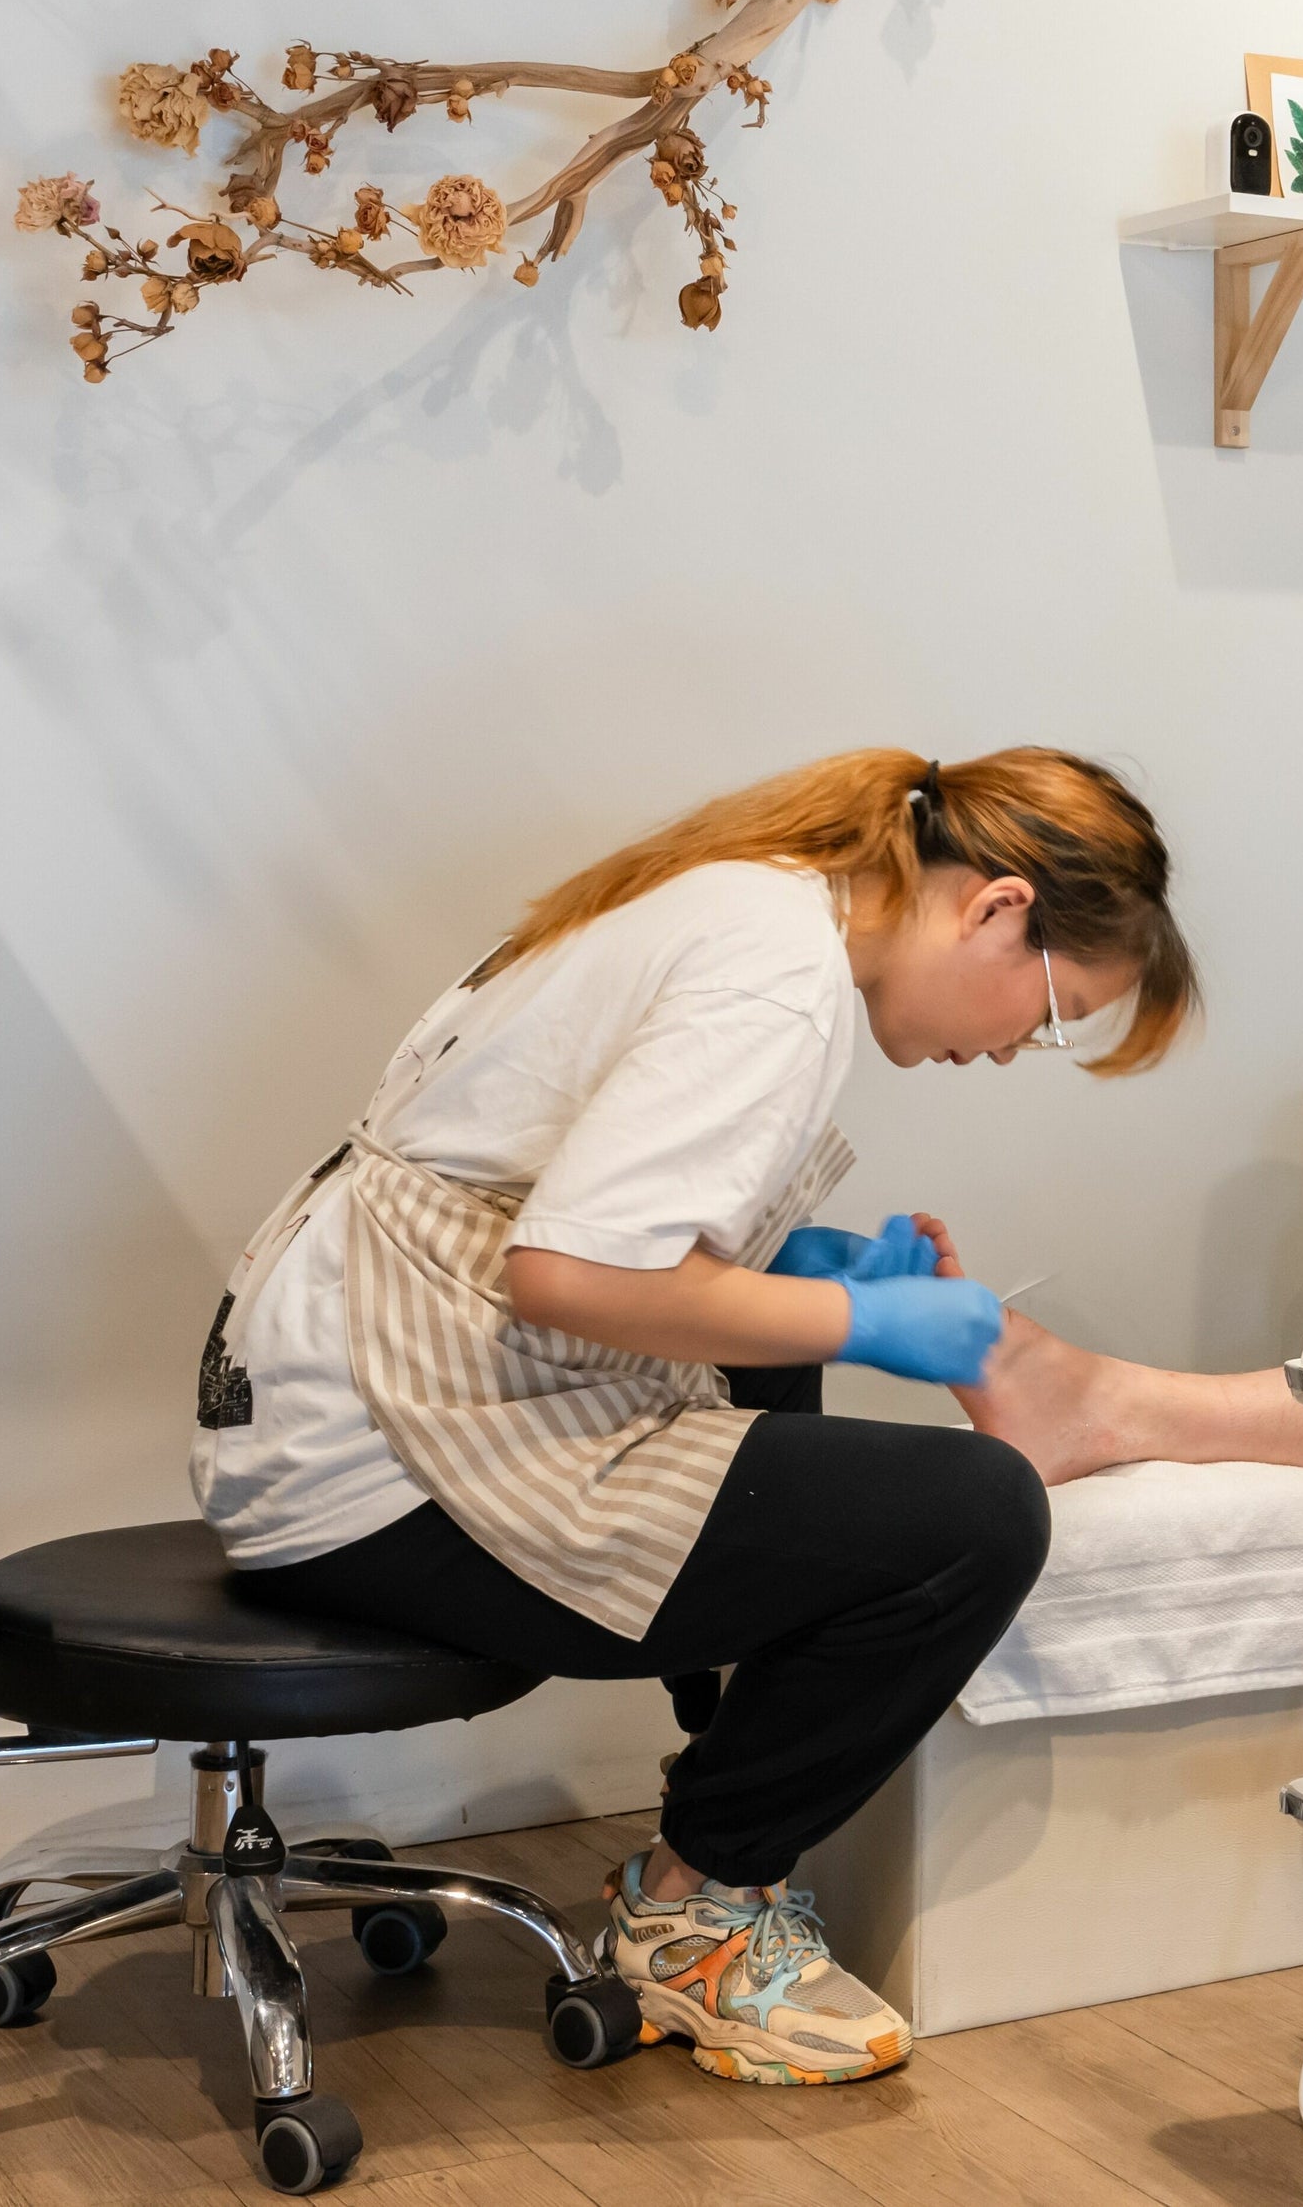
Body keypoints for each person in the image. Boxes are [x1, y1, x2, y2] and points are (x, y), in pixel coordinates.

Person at [191, 745, 1209, 2090]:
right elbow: (569, 1275)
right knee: (978, 1517)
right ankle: (698, 1911)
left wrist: (814, 1274)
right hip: (376, 1466)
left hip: (317, 1406)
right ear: (998, 909)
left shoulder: (750, 897)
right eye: (1057, 1012)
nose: (1019, 1046)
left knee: (773, 1370)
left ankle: (712, 1834)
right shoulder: (776, 979)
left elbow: (566, 1215)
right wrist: (869, 1326)